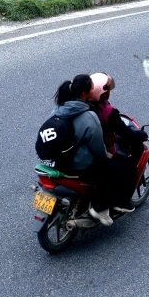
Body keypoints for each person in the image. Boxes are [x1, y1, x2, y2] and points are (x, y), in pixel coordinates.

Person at [48, 74, 132, 226]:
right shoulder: (89, 116)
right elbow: (98, 149)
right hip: (77, 163)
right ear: (84, 94)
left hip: (57, 158)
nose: (94, 91)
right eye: (91, 89)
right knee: (116, 168)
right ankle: (100, 208)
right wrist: (107, 157)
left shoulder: (59, 109)